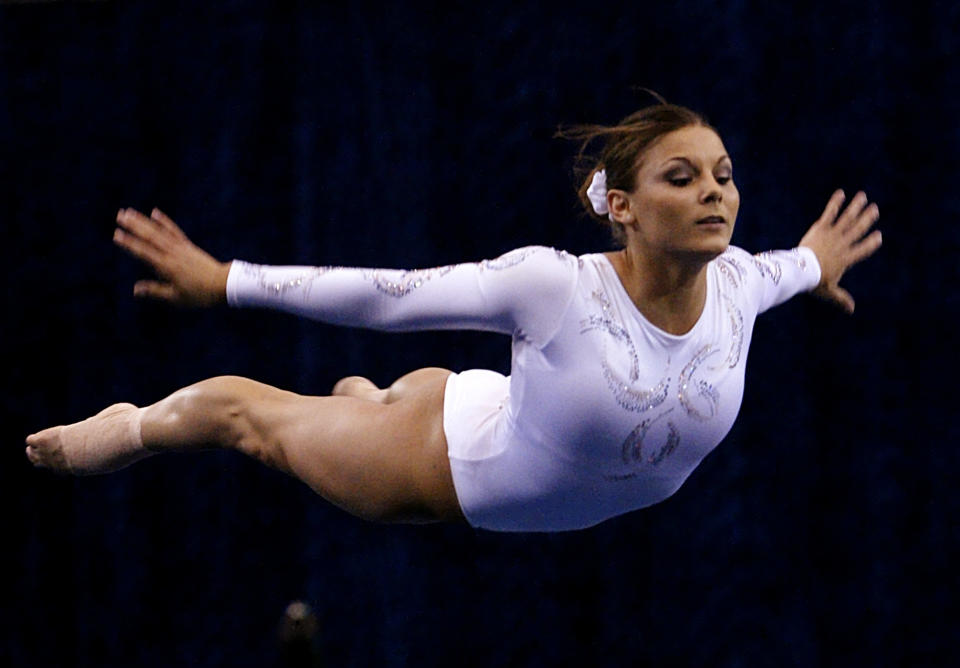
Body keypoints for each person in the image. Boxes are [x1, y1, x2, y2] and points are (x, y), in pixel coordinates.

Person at [24, 102, 882, 532]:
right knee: (240, 417)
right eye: (682, 177)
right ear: (620, 205)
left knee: (393, 394)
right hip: (438, 467)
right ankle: (132, 425)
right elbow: (387, 294)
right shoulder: (554, 288)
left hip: (487, 411)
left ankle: (373, 398)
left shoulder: (740, 282)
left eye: (724, 175)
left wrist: (818, 262)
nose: (714, 193)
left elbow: (797, 265)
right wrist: (226, 281)